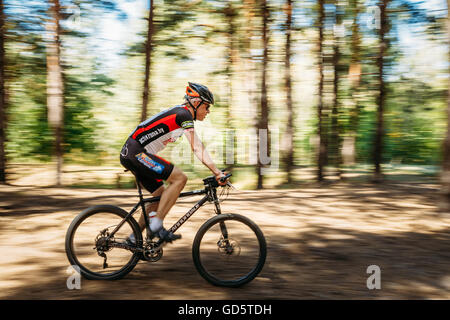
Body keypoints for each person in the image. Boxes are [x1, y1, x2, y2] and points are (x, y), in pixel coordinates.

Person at [120, 82, 228, 243]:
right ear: (196, 103)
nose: (208, 111)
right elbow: (197, 147)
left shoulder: (181, 114)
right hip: (136, 153)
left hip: (134, 154)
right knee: (180, 178)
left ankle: (134, 238)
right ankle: (156, 226)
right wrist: (217, 172)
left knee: (159, 195)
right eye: (206, 107)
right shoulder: (183, 114)